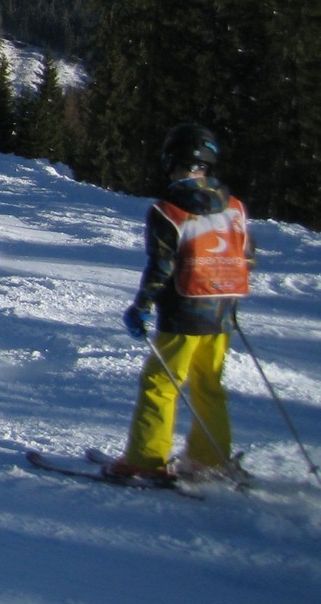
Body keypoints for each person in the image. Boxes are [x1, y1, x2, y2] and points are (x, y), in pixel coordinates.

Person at [108, 124, 253, 485]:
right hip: (222, 309)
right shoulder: (233, 206)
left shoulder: (169, 210)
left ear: (171, 161)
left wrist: (142, 306)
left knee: (161, 383)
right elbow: (246, 257)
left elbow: (161, 266)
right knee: (209, 384)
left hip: (184, 311)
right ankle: (209, 458)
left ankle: (146, 457)